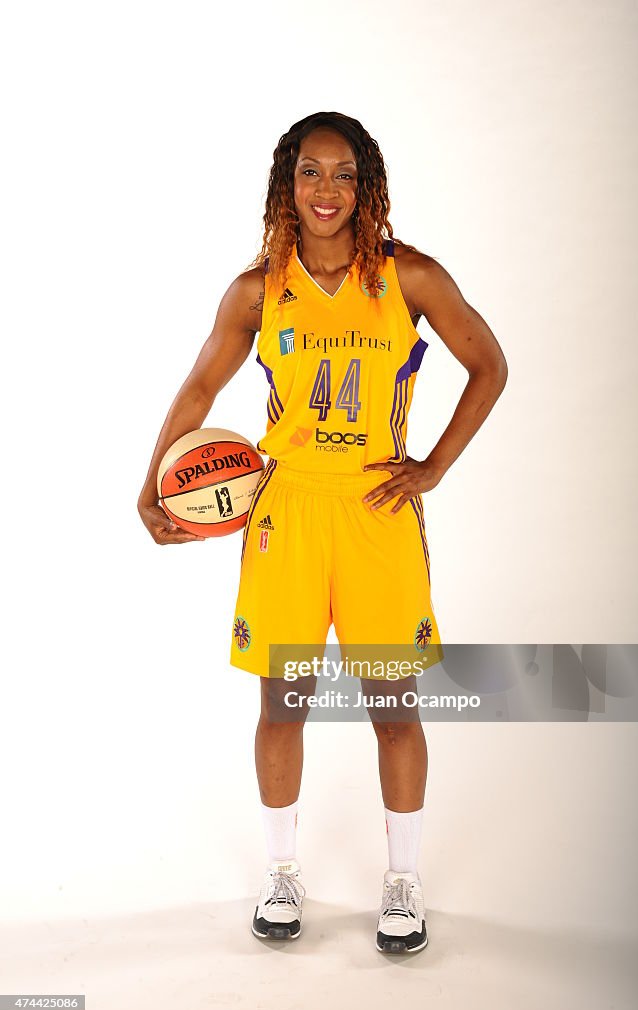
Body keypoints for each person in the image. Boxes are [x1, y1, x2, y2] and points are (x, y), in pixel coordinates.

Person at [138, 111, 508, 954]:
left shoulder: (408, 278)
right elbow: (200, 390)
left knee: (392, 705)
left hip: (377, 511)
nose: (327, 191)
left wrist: (434, 466)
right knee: (284, 700)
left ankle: (403, 884)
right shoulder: (256, 289)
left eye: (344, 174)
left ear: (366, 184)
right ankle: (280, 872)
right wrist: (150, 482)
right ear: (287, 184)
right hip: (287, 511)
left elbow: (489, 363)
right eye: (311, 173)